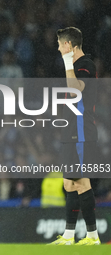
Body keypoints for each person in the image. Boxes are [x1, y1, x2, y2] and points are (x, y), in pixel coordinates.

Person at [49, 27, 100, 245]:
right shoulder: (76, 66)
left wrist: (68, 62)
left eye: (60, 44)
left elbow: (74, 91)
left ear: (69, 45)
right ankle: (69, 235)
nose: (58, 48)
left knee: (81, 183)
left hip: (81, 131)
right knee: (69, 184)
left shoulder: (86, 64)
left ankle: (92, 236)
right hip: (71, 130)